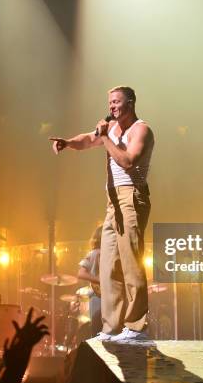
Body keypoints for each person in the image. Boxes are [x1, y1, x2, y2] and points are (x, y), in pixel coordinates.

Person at [50, 86, 154, 342]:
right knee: (108, 266)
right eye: (110, 103)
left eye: (117, 102)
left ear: (130, 102)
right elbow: (87, 139)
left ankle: (137, 326)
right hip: (112, 201)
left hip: (132, 196)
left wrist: (106, 138)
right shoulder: (112, 129)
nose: (112, 107)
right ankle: (112, 328)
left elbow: (128, 161)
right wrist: (67, 143)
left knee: (131, 262)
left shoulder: (141, 129)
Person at [77, 224, 103, 336]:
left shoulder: (113, 254)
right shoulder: (94, 254)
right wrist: (99, 280)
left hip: (111, 296)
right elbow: (81, 273)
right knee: (98, 330)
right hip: (98, 296)